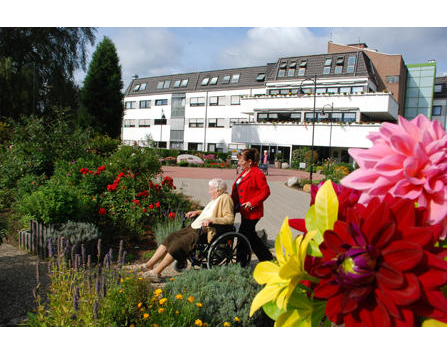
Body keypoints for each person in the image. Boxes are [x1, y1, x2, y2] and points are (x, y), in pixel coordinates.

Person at [126, 178, 234, 281]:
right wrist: (197, 212)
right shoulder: (215, 199)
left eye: (211, 189)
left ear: (218, 190)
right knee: (170, 237)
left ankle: (156, 272)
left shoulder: (225, 198)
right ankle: (149, 265)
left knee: (178, 244)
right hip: (195, 226)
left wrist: (212, 220)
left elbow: (229, 218)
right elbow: (209, 211)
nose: (209, 191)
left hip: (206, 230)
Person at [231, 148, 273, 261]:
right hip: (244, 211)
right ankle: (267, 259)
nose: (239, 163)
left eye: (241, 161)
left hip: (253, 212)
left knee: (243, 235)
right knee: (250, 236)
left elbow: (266, 192)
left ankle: (241, 263)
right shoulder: (245, 172)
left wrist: (252, 202)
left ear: (249, 162)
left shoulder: (257, 173)